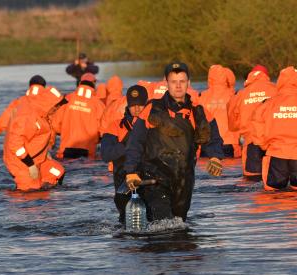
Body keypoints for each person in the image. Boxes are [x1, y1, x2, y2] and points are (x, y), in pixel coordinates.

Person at [124, 62, 224, 222]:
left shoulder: (198, 111)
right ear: (167, 83)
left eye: (182, 81)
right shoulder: (151, 109)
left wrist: (216, 157)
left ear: (188, 83)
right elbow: (135, 142)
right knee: (164, 224)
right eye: (174, 82)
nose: (178, 86)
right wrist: (131, 171)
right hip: (154, 179)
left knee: (179, 227)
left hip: (184, 180)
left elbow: (213, 138)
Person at [3, 85, 67, 191]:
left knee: (57, 172)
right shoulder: (27, 117)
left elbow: (40, 136)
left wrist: (45, 152)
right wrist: (30, 165)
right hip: (21, 163)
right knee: (32, 193)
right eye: (57, 106)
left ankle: (47, 197)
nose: (58, 109)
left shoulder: (43, 113)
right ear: (50, 104)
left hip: (38, 158)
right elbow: (15, 145)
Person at [100, 85, 149, 223]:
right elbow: (106, 154)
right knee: (124, 214)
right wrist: (130, 145)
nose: (137, 109)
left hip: (150, 180)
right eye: (133, 105)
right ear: (128, 105)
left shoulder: (153, 125)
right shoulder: (115, 126)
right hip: (124, 181)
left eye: (141, 104)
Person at [227, 65, 277, 179]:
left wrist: (238, 131)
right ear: (266, 76)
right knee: (276, 182)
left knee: (252, 181)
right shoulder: (277, 89)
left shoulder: (240, 94)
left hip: (251, 143)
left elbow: (232, 122)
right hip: (274, 144)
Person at [53, 73, 104, 159]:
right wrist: (97, 139)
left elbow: (55, 125)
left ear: (80, 83)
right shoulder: (99, 104)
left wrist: (65, 133)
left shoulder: (67, 99)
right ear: (94, 83)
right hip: (88, 149)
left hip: (66, 148)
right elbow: (104, 129)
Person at [0, 75, 47, 144]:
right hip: (42, 141)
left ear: (30, 86)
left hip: (21, 141)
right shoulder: (52, 102)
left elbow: (4, 120)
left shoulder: (18, 102)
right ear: (44, 87)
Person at [199, 65, 240, 158]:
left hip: (207, 144)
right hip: (229, 143)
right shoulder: (234, 95)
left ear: (209, 78)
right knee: (230, 169)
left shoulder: (201, 96)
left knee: (208, 170)